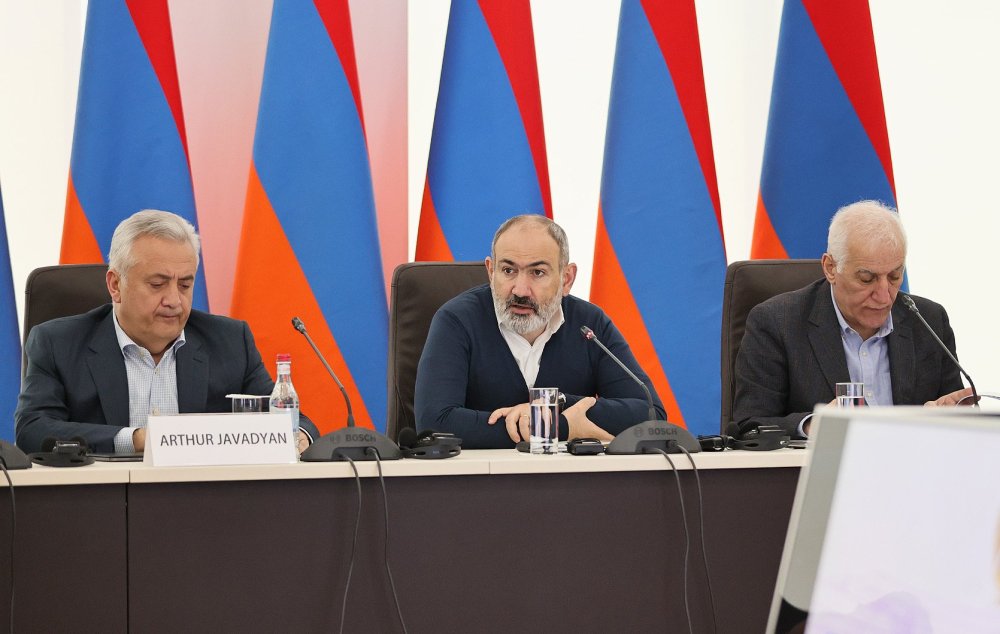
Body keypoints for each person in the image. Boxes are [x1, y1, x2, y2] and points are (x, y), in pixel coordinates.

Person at [15, 209, 318, 454]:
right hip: (102, 502)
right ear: (115, 285)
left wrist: (298, 437)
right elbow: (33, 429)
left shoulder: (229, 341)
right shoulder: (58, 343)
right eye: (157, 284)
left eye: (185, 285)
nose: (174, 300)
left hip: (207, 501)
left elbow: (294, 422)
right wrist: (137, 439)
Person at [414, 214, 665, 449]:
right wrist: (559, 427)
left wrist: (557, 403)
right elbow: (434, 423)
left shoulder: (589, 325)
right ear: (491, 271)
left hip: (571, 479)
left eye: (537, 272)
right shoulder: (457, 320)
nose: (520, 290)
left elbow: (651, 415)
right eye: (508, 271)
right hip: (481, 478)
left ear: (566, 278)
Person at [733, 200, 972, 438]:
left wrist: (946, 418)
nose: (884, 295)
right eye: (867, 278)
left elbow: (957, 420)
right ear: (830, 268)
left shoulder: (928, 321)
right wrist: (812, 425)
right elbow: (749, 425)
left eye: (894, 276)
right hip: (822, 463)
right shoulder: (776, 323)